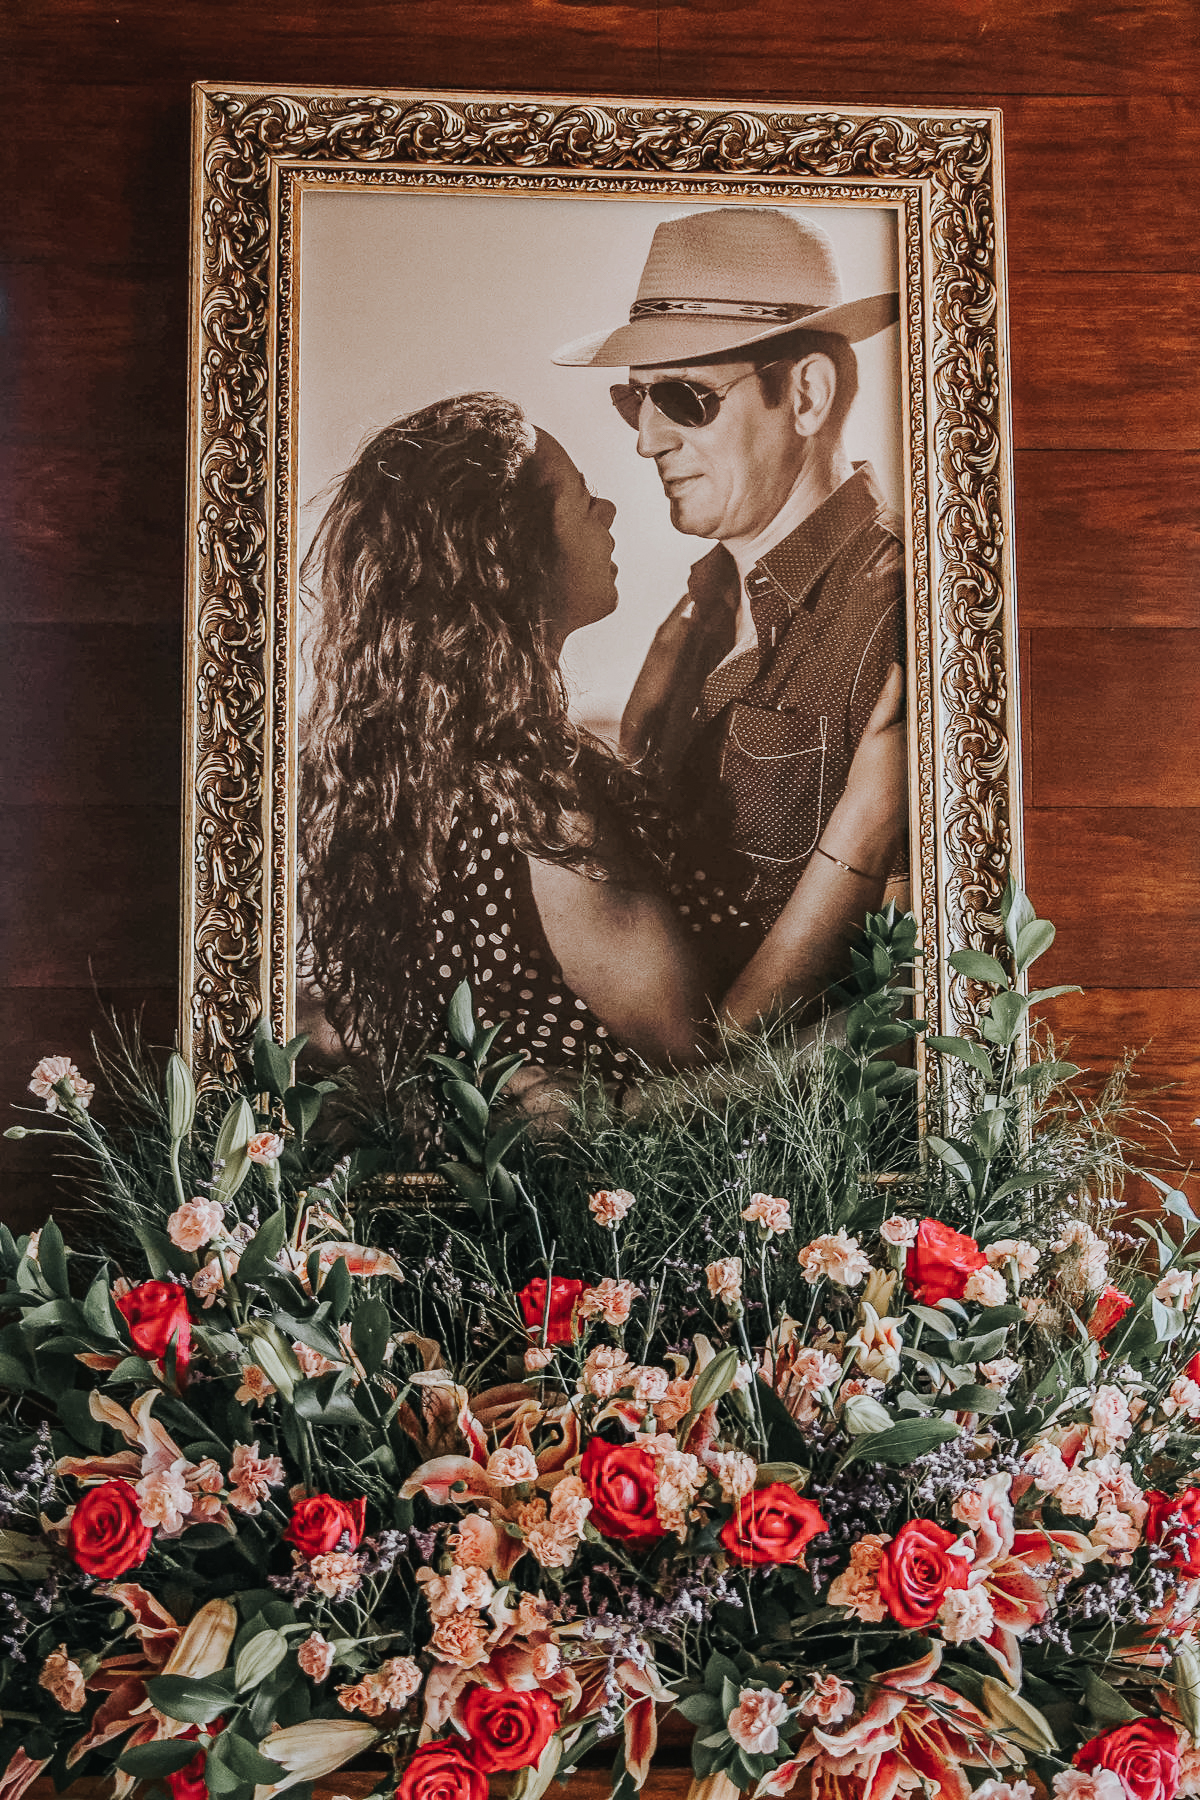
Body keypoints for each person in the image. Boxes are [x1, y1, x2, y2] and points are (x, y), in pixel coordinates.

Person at [297, 391, 904, 1099]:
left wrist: (664, 694)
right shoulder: (535, 803)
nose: (608, 509)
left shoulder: (425, 766)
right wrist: (864, 827)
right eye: (583, 500)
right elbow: (704, 1050)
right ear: (515, 553)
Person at [552, 205, 908, 996]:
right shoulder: (696, 616)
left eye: (684, 398)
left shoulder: (901, 619)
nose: (647, 439)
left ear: (807, 396)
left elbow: (916, 984)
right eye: (634, 401)